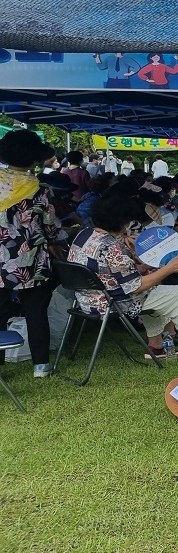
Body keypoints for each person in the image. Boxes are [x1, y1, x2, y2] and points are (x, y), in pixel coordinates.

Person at [68, 189, 178, 365]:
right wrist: (169, 268)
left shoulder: (84, 235)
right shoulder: (112, 246)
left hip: (86, 300)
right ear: (119, 220)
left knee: (156, 293)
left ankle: (156, 345)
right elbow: (135, 286)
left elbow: (107, 272)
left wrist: (142, 267)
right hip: (113, 302)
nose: (128, 226)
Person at [0, 129, 69, 379]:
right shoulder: (38, 190)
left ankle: (1, 358)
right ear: (33, 159)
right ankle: (41, 366)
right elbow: (50, 226)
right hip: (31, 261)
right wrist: (57, 242)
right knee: (35, 311)